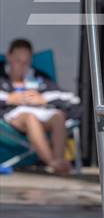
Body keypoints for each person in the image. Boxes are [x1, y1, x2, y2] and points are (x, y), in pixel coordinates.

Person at [0, 38, 80, 175]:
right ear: (9, 56)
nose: (22, 66)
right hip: (14, 116)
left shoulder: (40, 78)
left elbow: (70, 98)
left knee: (58, 116)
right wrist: (9, 98)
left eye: (26, 62)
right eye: (18, 61)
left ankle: (59, 159)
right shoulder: (1, 76)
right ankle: (52, 163)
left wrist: (42, 99)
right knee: (30, 118)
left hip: (41, 113)